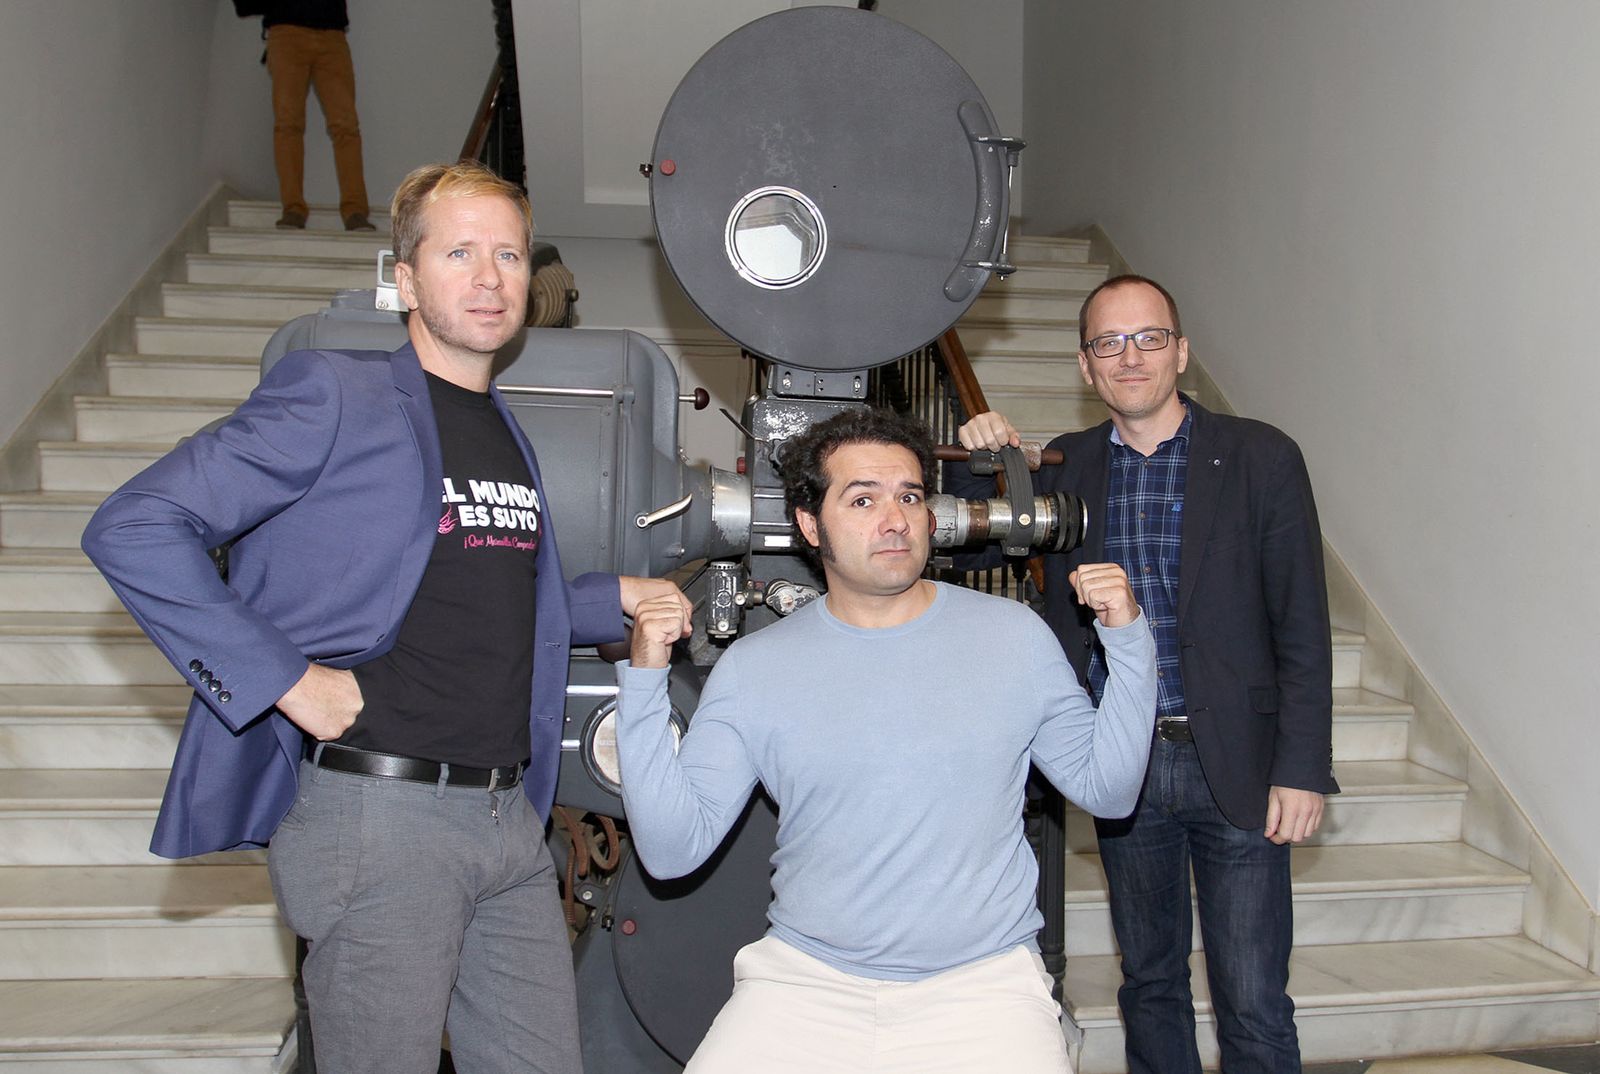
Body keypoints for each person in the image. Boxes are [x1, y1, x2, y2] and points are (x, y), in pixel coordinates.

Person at [82, 159, 689, 1074]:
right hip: (382, 817)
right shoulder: (335, 392)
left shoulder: (502, 424)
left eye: (509, 255)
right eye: (459, 253)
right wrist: (287, 681)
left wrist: (615, 597)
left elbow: (481, 598)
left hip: (505, 822)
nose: (490, 277)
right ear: (406, 280)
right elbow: (134, 525)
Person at [617, 408, 1158, 1074]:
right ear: (810, 525)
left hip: (984, 988)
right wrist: (645, 676)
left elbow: (1110, 789)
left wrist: (1127, 638)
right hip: (805, 983)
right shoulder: (755, 670)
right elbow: (672, 851)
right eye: (862, 499)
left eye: (909, 496)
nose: (895, 519)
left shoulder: (1013, 638)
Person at [949, 274, 1338, 1074]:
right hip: (1123, 764)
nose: (1130, 357)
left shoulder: (1262, 457)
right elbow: (967, 547)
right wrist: (976, 462)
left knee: (1254, 1000)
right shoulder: (1066, 465)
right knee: (1150, 983)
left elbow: (1301, 623)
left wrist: (1302, 767)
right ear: (1086, 366)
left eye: (1149, 338)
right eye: (1109, 343)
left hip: (1238, 761)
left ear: (1181, 352)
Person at [257, 0, 374, 230]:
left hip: (332, 34)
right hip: (285, 31)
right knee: (288, 125)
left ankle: (355, 211)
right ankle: (292, 209)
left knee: (346, 126)